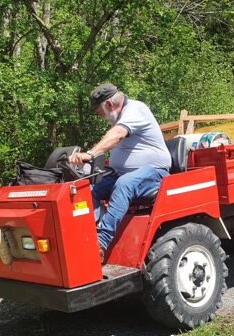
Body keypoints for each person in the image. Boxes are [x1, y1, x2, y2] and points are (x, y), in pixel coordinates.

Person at [68, 83, 171, 261]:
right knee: (87, 187)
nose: (100, 117)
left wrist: (90, 154)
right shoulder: (120, 118)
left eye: (99, 112)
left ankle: (101, 242)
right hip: (122, 174)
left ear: (109, 105)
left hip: (155, 173)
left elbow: (117, 135)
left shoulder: (135, 109)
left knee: (125, 183)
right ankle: (91, 232)